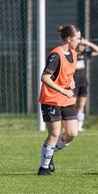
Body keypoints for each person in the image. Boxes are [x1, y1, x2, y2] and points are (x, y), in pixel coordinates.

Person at [37, 25, 81, 175]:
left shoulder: (74, 53)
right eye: (78, 38)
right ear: (69, 39)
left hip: (66, 99)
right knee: (55, 134)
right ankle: (43, 168)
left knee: (72, 133)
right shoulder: (55, 55)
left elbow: (68, 73)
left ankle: (50, 154)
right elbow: (45, 78)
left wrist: (71, 81)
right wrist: (62, 90)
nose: (79, 41)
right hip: (51, 99)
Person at [74, 38, 98, 131]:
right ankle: (69, 126)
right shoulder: (71, 55)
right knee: (70, 106)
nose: (82, 46)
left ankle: (79, 126)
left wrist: (88, 42)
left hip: (83, 83)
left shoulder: (85, 54)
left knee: (81, 106)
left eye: (84, 45)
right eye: (81, 44)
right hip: (72, 85)